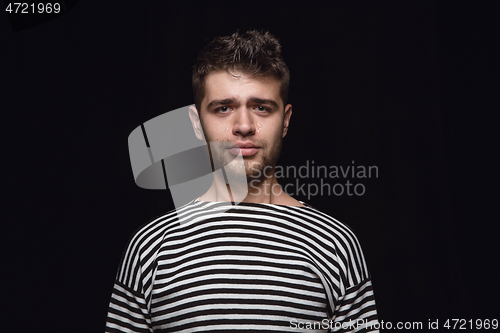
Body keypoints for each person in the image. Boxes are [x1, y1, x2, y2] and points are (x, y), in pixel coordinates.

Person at [106, 30, 379, 332]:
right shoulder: (150, 249)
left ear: (285, 120)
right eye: (224, 108)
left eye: (261, 107)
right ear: (196, 123)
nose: (244, 126)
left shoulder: (335, 244)